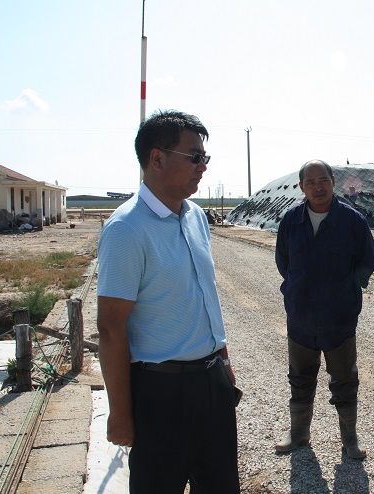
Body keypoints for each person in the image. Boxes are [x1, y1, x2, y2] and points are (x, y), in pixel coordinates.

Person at [97, 110, 240, 493]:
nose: (203, 167)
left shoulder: (195, 216)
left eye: (204, 157)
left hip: (211, 383)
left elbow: (205, 297)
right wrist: (120, 413)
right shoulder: (127, 229)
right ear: (157, 158)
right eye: (194, 157)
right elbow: (110, 328)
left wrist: (223, 363)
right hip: (160, 393)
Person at [274, 159, 374, 459]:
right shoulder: (291, 221)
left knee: (345, 380)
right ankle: (298, 434)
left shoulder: (352, 221)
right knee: (300, 378)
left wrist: (347, 293)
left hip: (339, 320)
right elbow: (283, 262)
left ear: (333, 181)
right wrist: (298, 289)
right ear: (301, 186)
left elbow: (367, 261)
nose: (317, 187)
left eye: (323, 181)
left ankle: (350, 440)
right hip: (301, 318)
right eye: (310, 182)